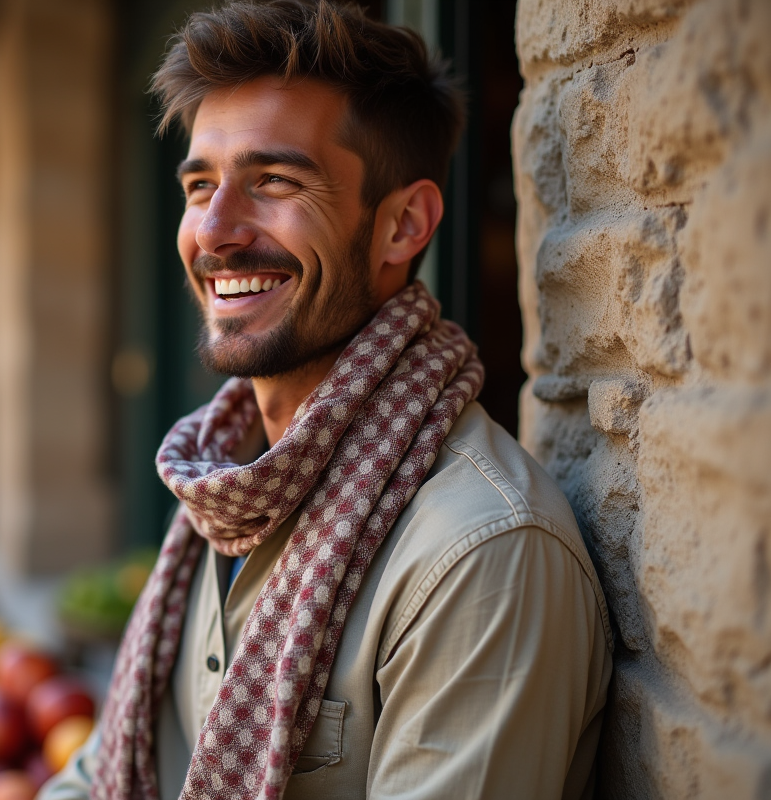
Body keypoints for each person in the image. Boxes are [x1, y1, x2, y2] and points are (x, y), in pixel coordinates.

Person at [41, 3, 612, 799]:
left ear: (402, 225)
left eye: (273, 181)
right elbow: (103, 773)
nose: (215, 231)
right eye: (200, 184)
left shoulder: (483, 554)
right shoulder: (226, 486)